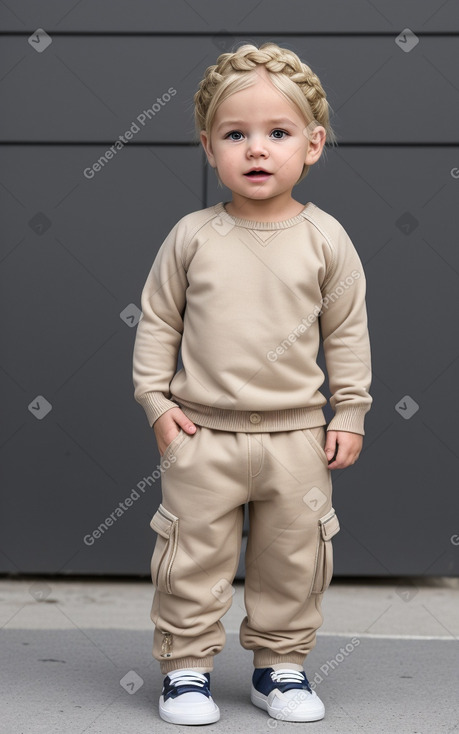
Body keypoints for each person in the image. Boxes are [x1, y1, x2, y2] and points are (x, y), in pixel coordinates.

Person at [132, 41, 372, 726]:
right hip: (200, 436)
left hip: (295, 438)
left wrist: (348, 411)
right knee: (189, 558)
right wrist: (155, 403)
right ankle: (184, 672)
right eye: (236, 134)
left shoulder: (325, 238)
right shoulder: (191, 236)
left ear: (313, 143)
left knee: (293, 557)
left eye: (277, 133)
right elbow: (156, 323)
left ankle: (280, 668)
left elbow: (346, 331)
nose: (256, 149)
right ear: (209, 147)